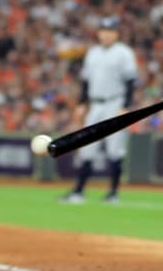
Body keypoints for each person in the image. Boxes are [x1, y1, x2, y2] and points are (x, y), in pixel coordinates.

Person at [59, 16, 138, 204]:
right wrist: (81, 104)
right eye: (103, 30)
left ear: (116, 34)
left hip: (114, 103)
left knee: (115, 150)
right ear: (99, 33)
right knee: (87, 147)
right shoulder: (93, 52)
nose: (106, 34)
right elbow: (86, 82)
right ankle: (78, 192)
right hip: (95, 105)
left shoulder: (124, 53)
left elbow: (130, 82)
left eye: (110, 31)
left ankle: (113, 194)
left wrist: (125, 106)